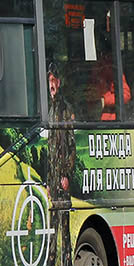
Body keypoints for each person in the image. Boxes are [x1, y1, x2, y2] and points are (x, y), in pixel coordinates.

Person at [47, 61, 76, 204]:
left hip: (62, 178)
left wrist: (66, 174)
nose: (51, 85)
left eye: (53, 81)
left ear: (58, 83)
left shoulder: (66, 109)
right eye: (48, 81)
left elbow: (71, 146)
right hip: (50, 178)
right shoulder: (43, 109)